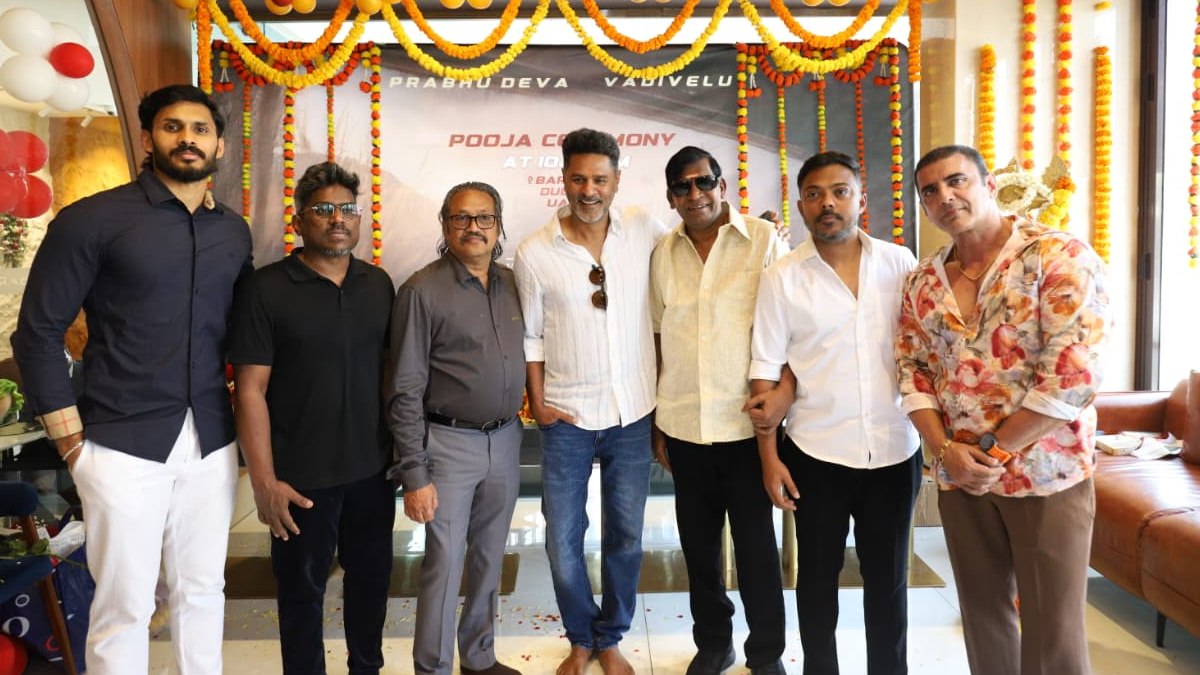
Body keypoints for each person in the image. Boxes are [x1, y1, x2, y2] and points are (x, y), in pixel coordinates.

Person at [11, 84, 252, 675]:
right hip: (119, 443)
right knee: (125, 606)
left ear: (220, 145)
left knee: (203, 591)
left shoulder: (232, 231)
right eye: (173, 127)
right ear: (148, 139)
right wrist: (72, 444)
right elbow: (37, 333)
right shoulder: (92, 220)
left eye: (200, 129)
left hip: (211, 440)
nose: (187, 139)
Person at [896, 145, 1109, 675]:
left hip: (1045, 473)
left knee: (1052, 629)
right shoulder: (923, 281)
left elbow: (1074, 376)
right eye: (930, 191)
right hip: (959, 476)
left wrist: (991, 453)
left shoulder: (1056, 255)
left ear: (989, 185)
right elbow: (912, 368)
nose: (946, 197)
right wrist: (945, 450)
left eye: (957, 181)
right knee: (983, 617)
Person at [749, 151, 922, 675]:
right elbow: (765, 368)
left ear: (860, 199)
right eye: (815, 194)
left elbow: (922, 350)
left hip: (894, 450)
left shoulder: (900, 263)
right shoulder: (782, 277)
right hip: (815, 453)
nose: (828, 203)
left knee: (888, 582)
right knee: (817, 582)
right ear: (800, 205)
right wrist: (769, 459)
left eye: (840, 192)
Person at [230, 161, 395, 675]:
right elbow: (250, 391)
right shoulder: (266, 288)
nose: (337, 218)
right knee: (302, 595)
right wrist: (264, 482)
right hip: (300, 482)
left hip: (372, 472)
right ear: (299, 219)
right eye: (323, 209)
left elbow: (391, 379)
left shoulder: (378, 284)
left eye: (347, 208)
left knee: (371, 585)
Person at [513, 128, 667, 675]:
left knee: (626, 534)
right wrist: (538, 403)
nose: (589, 190)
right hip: (566, 416)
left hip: (633, 412)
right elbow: (531, 337)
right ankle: (581, 637)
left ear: (616, 180)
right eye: (578, 178)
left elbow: (690, 257)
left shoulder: (643, 228)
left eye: (600, 179)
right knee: (562, 538)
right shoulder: (535, 252)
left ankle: (611, 636)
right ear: (563, 179)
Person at [650, 145, 789, 675]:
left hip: (746, 428)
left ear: (722, 186)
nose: (695, 194)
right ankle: (713, 644)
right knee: (699, 550)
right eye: (682, 187)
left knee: (756, 550)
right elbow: (659, 336)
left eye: (704, 182)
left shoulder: (763, 240)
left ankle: (766, 653)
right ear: (670, 198)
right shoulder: (663, 254)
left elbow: (787, 329)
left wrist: (782, 399)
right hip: (684, 427)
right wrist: (659, 421)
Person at [388, 182, 526, 675]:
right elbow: (404, 388)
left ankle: (479, 657)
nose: (473, 227)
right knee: (445, 564)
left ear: (499, 225)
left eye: (484, 217)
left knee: (490, 556)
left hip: (505, 439)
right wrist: (414, 473)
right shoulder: (421, 291)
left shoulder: (513, 283)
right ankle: (433, 667)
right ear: (445, 225)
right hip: (447, 444)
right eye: (461, 218)